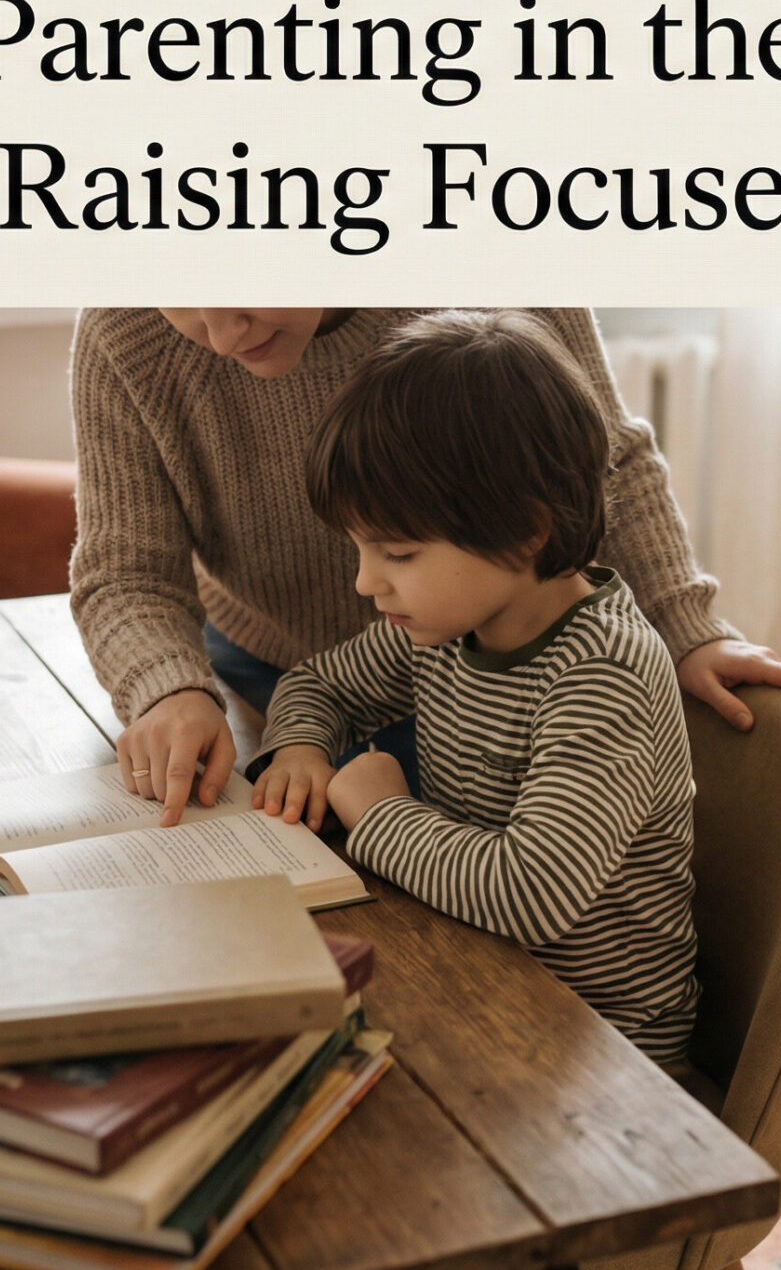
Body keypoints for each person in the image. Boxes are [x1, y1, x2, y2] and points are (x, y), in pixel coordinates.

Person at [70, 307, 781, 826]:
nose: (222, 330)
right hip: (265, 676)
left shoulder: (595, 679)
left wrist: (686, 625)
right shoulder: (121, 333)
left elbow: (606, 458)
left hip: (485, 674)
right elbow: (126, 572)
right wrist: (169, 690)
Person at [248, 310, 699, 1062]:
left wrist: (379, 812)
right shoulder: (451, 628)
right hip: (480, 979)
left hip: (604, 1053)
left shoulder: (604, 675)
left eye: (397, 551)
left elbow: (527, 893)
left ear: (525, 531)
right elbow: (319, 682)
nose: (365, 581)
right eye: (360, 548)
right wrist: (299, 743)